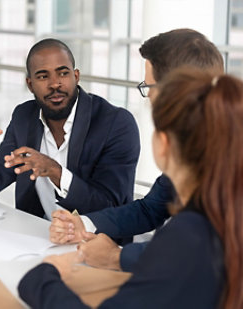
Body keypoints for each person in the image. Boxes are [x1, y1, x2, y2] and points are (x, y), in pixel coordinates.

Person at [19, 67, 243, 309]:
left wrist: (41, 279)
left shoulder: (189, 235)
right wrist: (85, 223)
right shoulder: (225, 205)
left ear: (164, 143)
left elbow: (179, 256)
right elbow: (149, 210)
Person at [49, 28, 225, 270]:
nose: (149, 96)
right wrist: (85, 224)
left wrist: (117, 258)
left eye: (149, 86)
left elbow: (204, 248)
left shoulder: (227, 153)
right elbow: (151, 208)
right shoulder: (192, 141)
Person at [0, 39, 140, 228]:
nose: (55, 84)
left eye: (63, 73)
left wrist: (55, 172)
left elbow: (112, 208)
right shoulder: (24, 117)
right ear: (30, 84)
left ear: (76, 76)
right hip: (39, 237)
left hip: (97, 245)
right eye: (43, 76)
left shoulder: (115, 123)